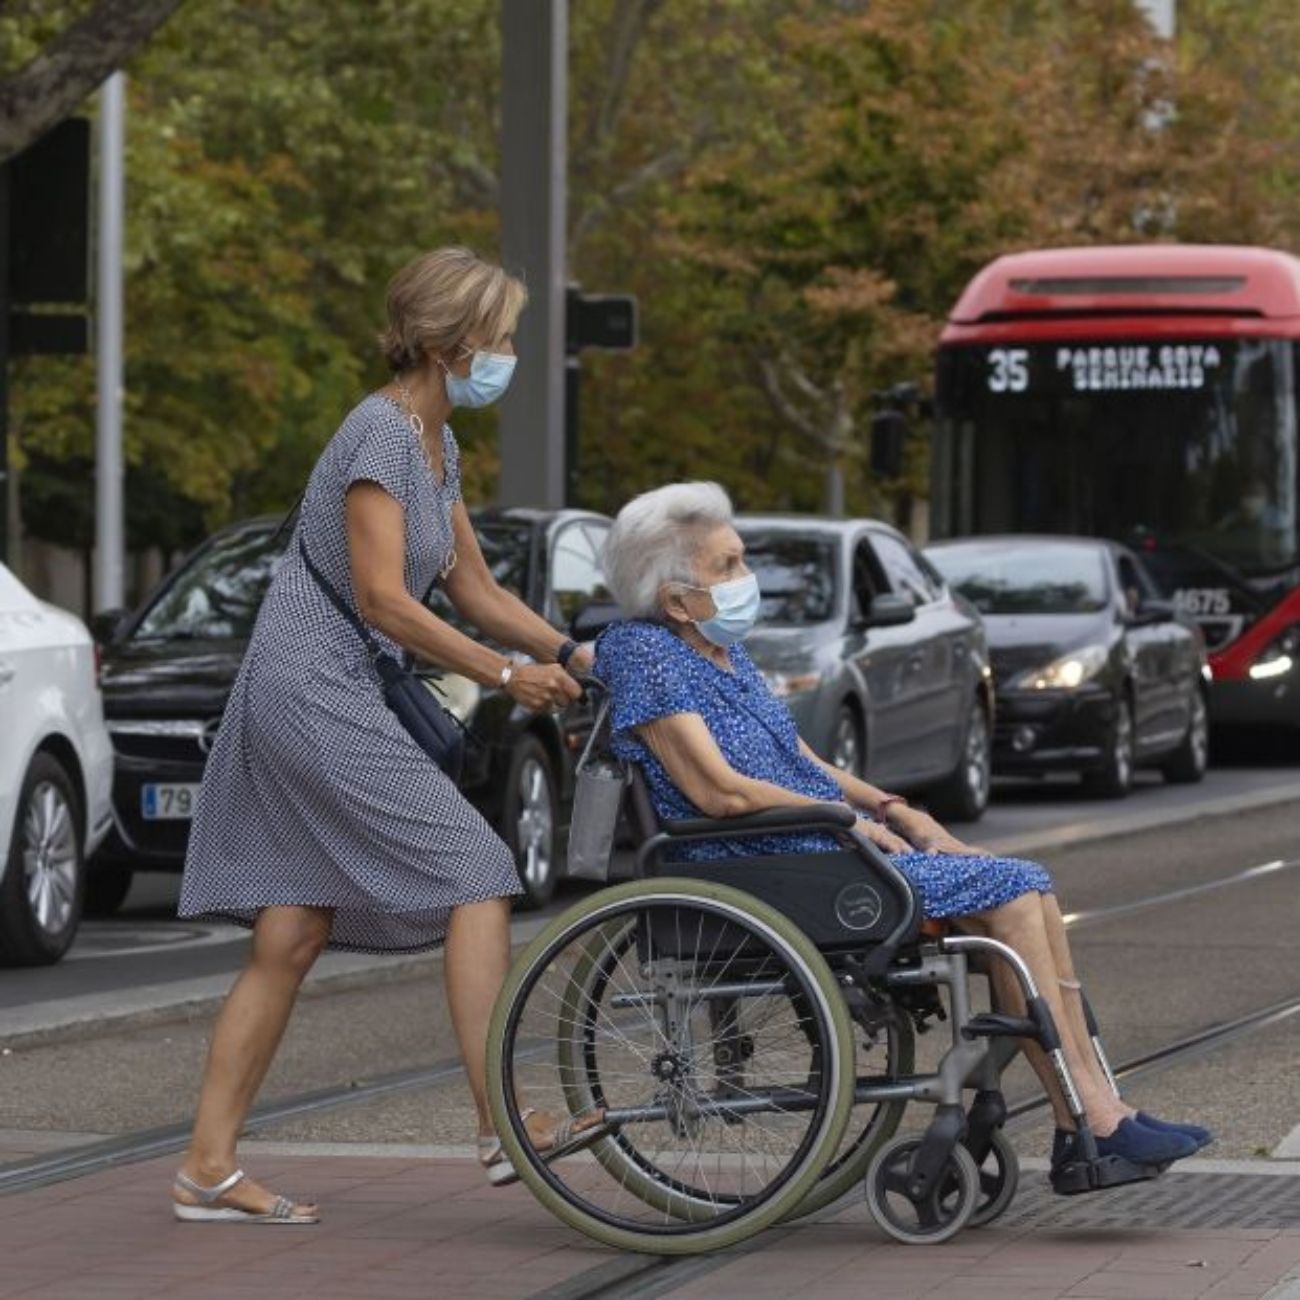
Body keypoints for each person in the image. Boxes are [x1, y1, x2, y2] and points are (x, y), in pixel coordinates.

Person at [594, 482, 1211, 1177]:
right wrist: (852, 823)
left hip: (821, 844)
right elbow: (722, 792)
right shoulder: (645, 655)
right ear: (676, 599)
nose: (747, 580)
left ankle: (1099, 1111)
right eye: (728, 566)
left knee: (1030, 896)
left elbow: (799, 759)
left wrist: (894, 808)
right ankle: (1085, 1122)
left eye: (742, 561)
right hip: (772, 859)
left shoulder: (719, 651)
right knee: (1013, 895)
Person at [173, 247, 599, 1224]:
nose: (506, 355)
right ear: (450, 344)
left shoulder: (435, 444)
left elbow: (474, 587)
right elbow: (381, 598)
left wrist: (575, 652)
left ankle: (205, 1163)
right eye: (497, 339)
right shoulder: (378, 433)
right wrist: (503, 674)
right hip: (311, 687)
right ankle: (502, 1125)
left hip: (332, 686)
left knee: (291, 930)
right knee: (478, 869)